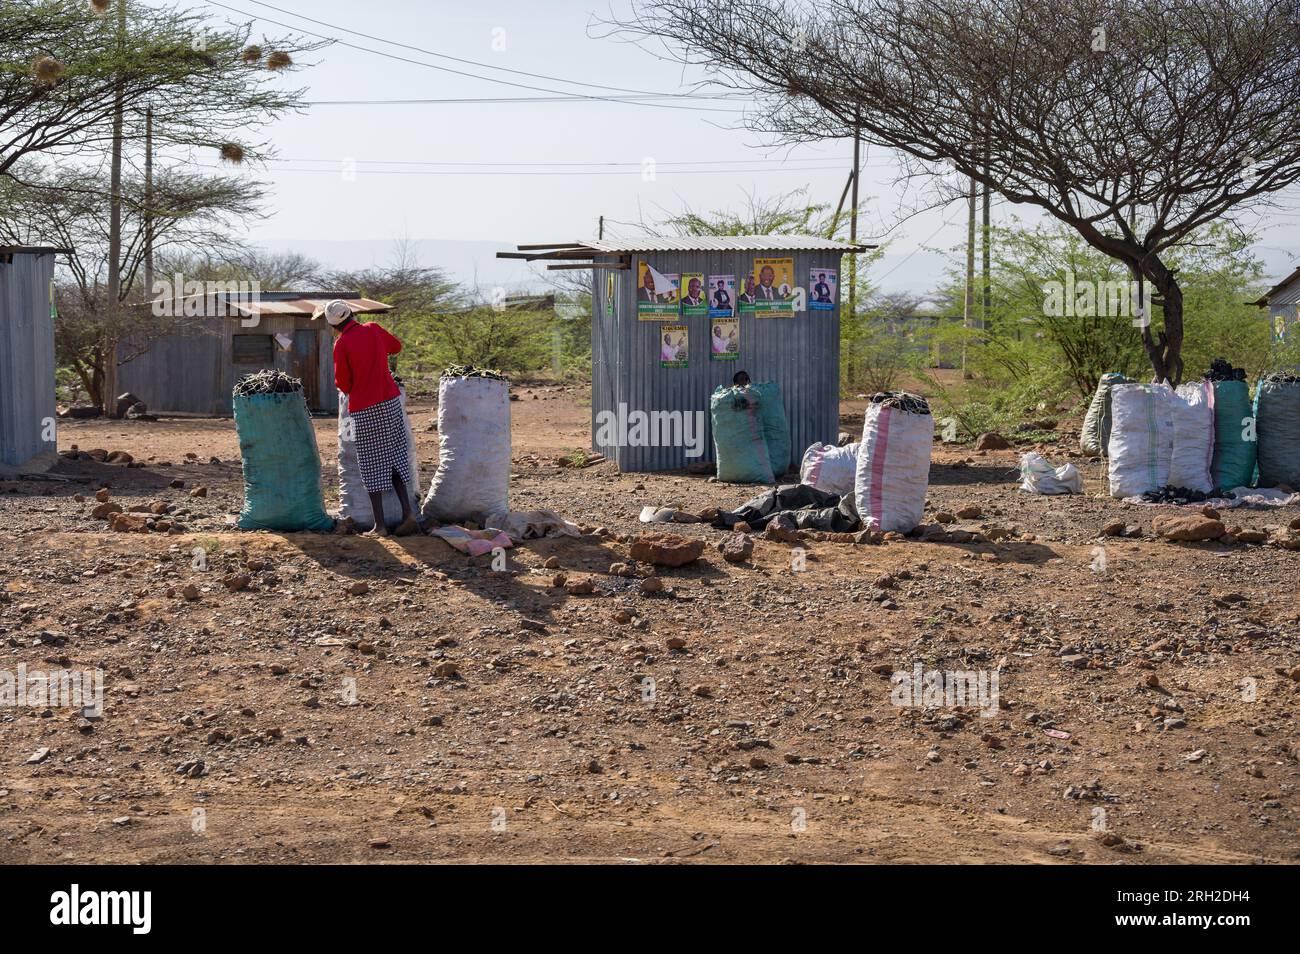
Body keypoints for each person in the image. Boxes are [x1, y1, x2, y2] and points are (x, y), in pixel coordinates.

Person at [315, 299, 420, 537]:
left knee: (372, 462)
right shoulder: (373, 328)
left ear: (334, 325)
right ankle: (408, 513)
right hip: (391, 401)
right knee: (395, 454)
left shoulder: (341, 344)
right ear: (351, 314)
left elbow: (343, 383)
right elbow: (396, 347)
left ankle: (380, 526)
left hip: (366, 407)